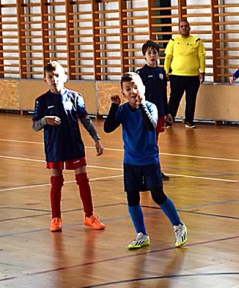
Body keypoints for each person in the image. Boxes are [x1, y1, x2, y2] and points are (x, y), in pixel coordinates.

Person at [103, 72, 188, 250]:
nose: (133, 91)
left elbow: (151, 125)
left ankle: (179, 226)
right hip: (131, 162)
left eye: (135, 87)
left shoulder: (151, 107)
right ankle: (141, 234)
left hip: (149, 161)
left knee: (158, 195)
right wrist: (113, 107)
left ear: (142, 88)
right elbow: (108, 128)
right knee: (132, 198)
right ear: (123, 92)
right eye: (128, 89)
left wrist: (141, 105)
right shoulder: (123, 110)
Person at [32, 61, 106, 233]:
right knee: (56, 182)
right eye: (50, 77)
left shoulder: (75, 97)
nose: (54, 80)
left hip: (74, 144)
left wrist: (96, 139)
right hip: (54, 146)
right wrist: (45, 121)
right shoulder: (41, 101)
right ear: (45, 80)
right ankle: (55, 218)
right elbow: (35, 125)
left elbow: (85, 120)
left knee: (83, 180)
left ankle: (89, 216)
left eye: (57, 76)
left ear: (64, 77)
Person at [137, 40, 171, 180]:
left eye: (154, 53)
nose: (152, 55)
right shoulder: (141, 73)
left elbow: (163, 94)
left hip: (159, 113)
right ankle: (143, 171)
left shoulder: (161, 73)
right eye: (149, 53)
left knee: (154, 144)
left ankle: (155, 171)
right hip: (145, 114)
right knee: (146, 143)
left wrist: (167, 112)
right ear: (144, 56)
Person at [164, 19, 206, 129]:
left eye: (186, 26)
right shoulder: (173, 40)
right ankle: (169, 120)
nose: (184, 28)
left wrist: (202, 72)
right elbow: (168, 57)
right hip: (176, 75)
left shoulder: (197, 40)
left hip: (192, 76)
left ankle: (189, 121)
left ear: (189, 28)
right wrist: (166, 71)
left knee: (191, 99)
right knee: (174, 99)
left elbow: (201, 57)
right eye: (181, 26)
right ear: (179, 29)